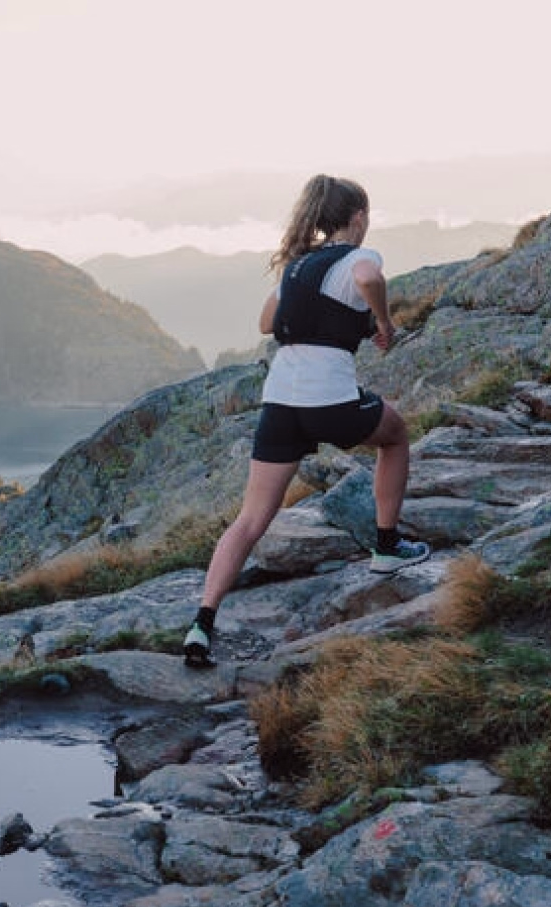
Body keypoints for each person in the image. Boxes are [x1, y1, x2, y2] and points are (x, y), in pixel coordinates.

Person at [183, 174, 429, 669]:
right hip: (330, 398)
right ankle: (386, 545)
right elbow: (369, 281)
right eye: (367, 217)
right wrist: (382, 323)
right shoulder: (361, 256)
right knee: (396, 434)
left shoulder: (297, 265)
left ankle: (201, 625)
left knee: (251, 521)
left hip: (281, 402)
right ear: (357, 218)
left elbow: (266, 322)